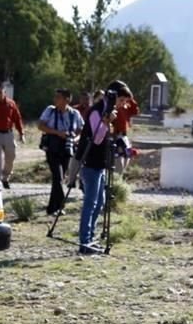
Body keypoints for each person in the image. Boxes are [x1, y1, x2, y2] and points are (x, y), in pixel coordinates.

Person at [77, 81, 125, 255]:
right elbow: (96, 138)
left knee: (100, 201)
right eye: (122, 101)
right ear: (115, 97)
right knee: (90, 203)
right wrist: (106, 122)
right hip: (91, 163)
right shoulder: (96, 111)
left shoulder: (105, 110)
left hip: (100, 164)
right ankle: (84, 242)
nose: (123, 105)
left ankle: (90, 237)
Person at [38, 88, 83, 216]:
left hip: (67, 146)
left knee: (60, 177)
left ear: (67, 99)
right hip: (52, 146)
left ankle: (52, 208)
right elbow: (40, 126)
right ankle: (61, 204)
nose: (55, 100)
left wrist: (75, 139)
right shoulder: (50, 110)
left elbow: (81, 130)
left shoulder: (75, 114)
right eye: (55, 97)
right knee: (57, 176)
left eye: (58, 97)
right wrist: (57, 132)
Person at [111, 87, 140, 173]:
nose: (123, 102)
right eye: (122, 100)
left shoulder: (126, 106)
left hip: (124, 135)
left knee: (127, 155)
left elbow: (135, 111)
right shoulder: (114, 107)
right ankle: (117, 174)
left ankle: (121, 174)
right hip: (116, 134)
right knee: (118, 157)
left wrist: (131, 99)